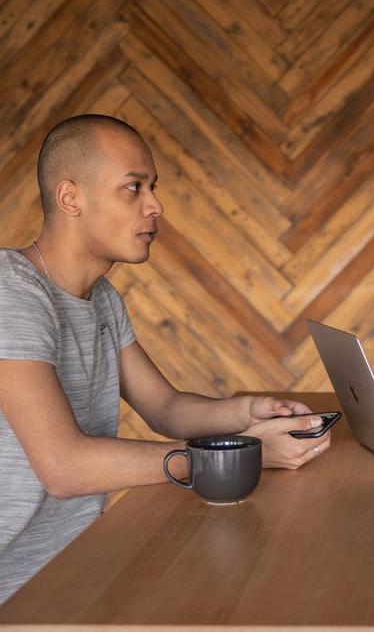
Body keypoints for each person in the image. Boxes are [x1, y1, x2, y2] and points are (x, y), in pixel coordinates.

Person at [0, 115, 331, 603]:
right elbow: (64, 467)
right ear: (71, 198)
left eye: (152, 187)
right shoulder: (11, 293)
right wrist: (230, 459)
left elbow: (167, 408)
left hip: (68, 572)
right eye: (133, 188)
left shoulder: (102, 299)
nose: (156, 205)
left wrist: (247, 412)